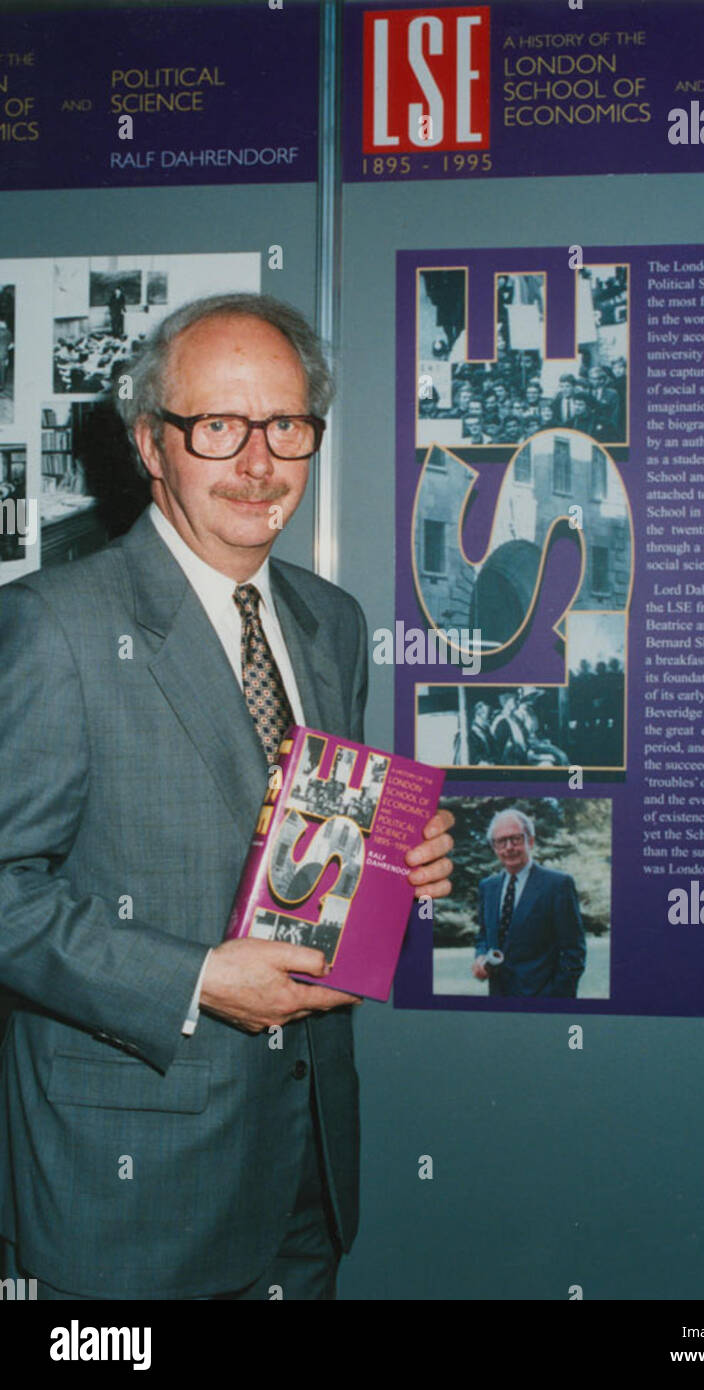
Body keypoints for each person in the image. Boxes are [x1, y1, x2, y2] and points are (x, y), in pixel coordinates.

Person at [0, 292, 454, 1301]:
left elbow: (310, 854)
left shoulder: (328, 622)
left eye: (286, 425)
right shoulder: (53, 626)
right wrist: (194, 978)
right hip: (136, 1191)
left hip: (304, 1163)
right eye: (218, 427)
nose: (259, 463)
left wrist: (396, 868)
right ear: (151, 446)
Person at [472, 809, 585, 998]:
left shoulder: (558, 885)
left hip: (543, 1000)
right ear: (494, 847)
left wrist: (557, 996)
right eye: (501, 841)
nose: (509, 847)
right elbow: (483, 936)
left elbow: (574, 951)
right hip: (498, 998)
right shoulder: (487, 887)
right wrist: (480, 956)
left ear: (530, 841)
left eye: (515, 839)